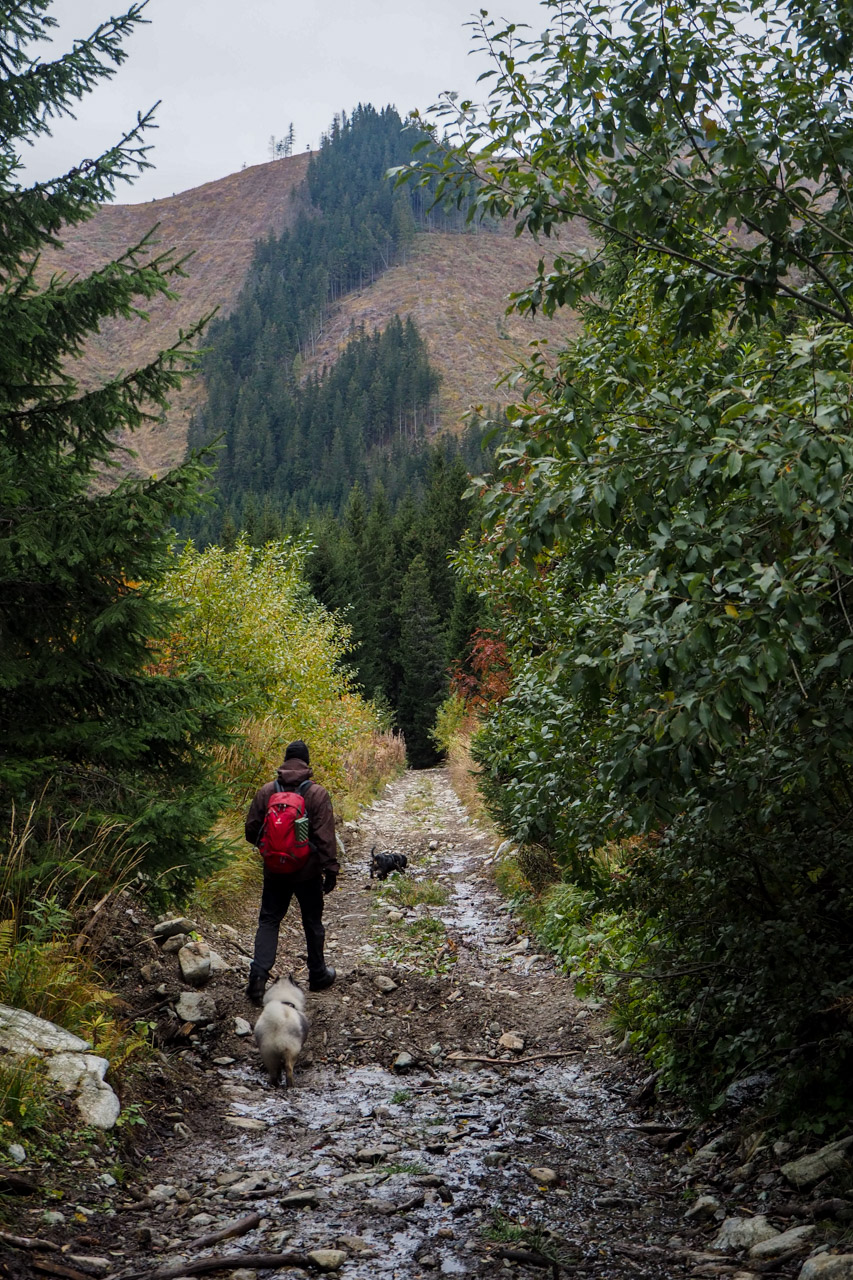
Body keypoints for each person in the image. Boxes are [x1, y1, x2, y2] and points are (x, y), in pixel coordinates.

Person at [244, 740, 339, 1003]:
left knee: (269, 920)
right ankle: (318, 974)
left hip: (275, 871)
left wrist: (272, 850)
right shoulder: (317, 794)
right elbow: (324, 838)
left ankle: (257, 979)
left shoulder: (266, 792)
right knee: (312, 922)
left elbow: (251, 831)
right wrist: (330, 868)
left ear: (285, 761)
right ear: (306, 764)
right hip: (307, 873)